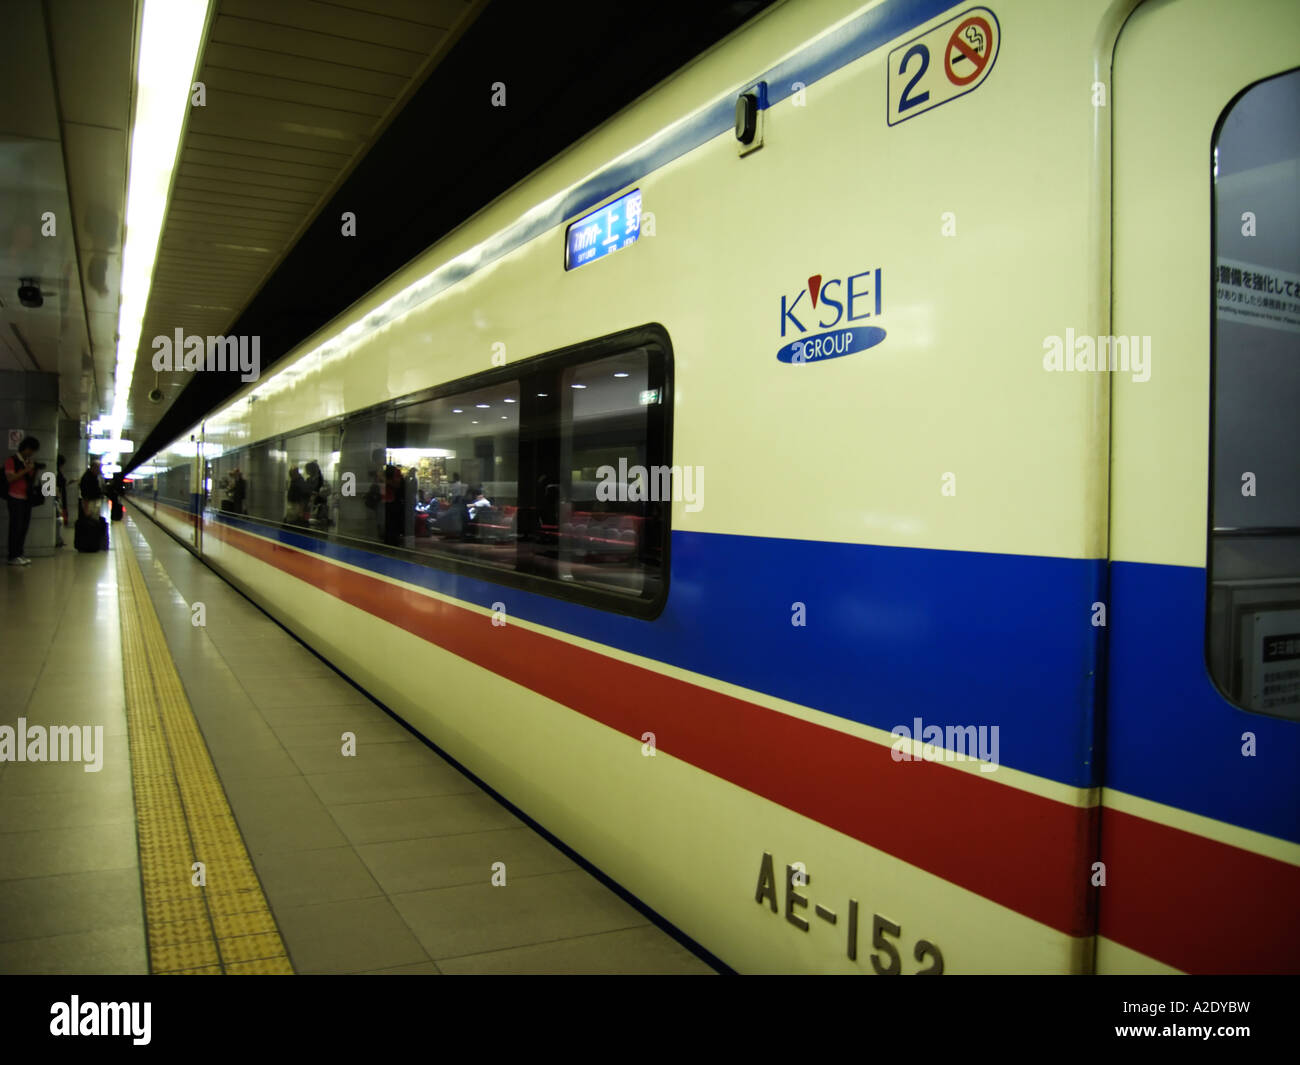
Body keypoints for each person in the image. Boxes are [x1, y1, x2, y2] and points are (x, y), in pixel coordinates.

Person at [4, 436, 40, 565]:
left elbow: (30, 480)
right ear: (25, 448)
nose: (31, 453)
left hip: (26, 499)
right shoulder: (11, 460)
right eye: (31, 450)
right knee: (16, 527)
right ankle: (13, 555)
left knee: (24, 527)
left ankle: (19, 553)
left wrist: (33, 470)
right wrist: (26, 470)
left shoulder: (27, 462)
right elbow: (10, 478)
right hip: (15, 498)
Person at [55, 454, 68, 547]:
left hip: (59, 497)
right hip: (58, 497)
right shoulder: (56, 472)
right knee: (58, 519)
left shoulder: (57, 472)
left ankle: (58, 539)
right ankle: (57, 539)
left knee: (59, 519)